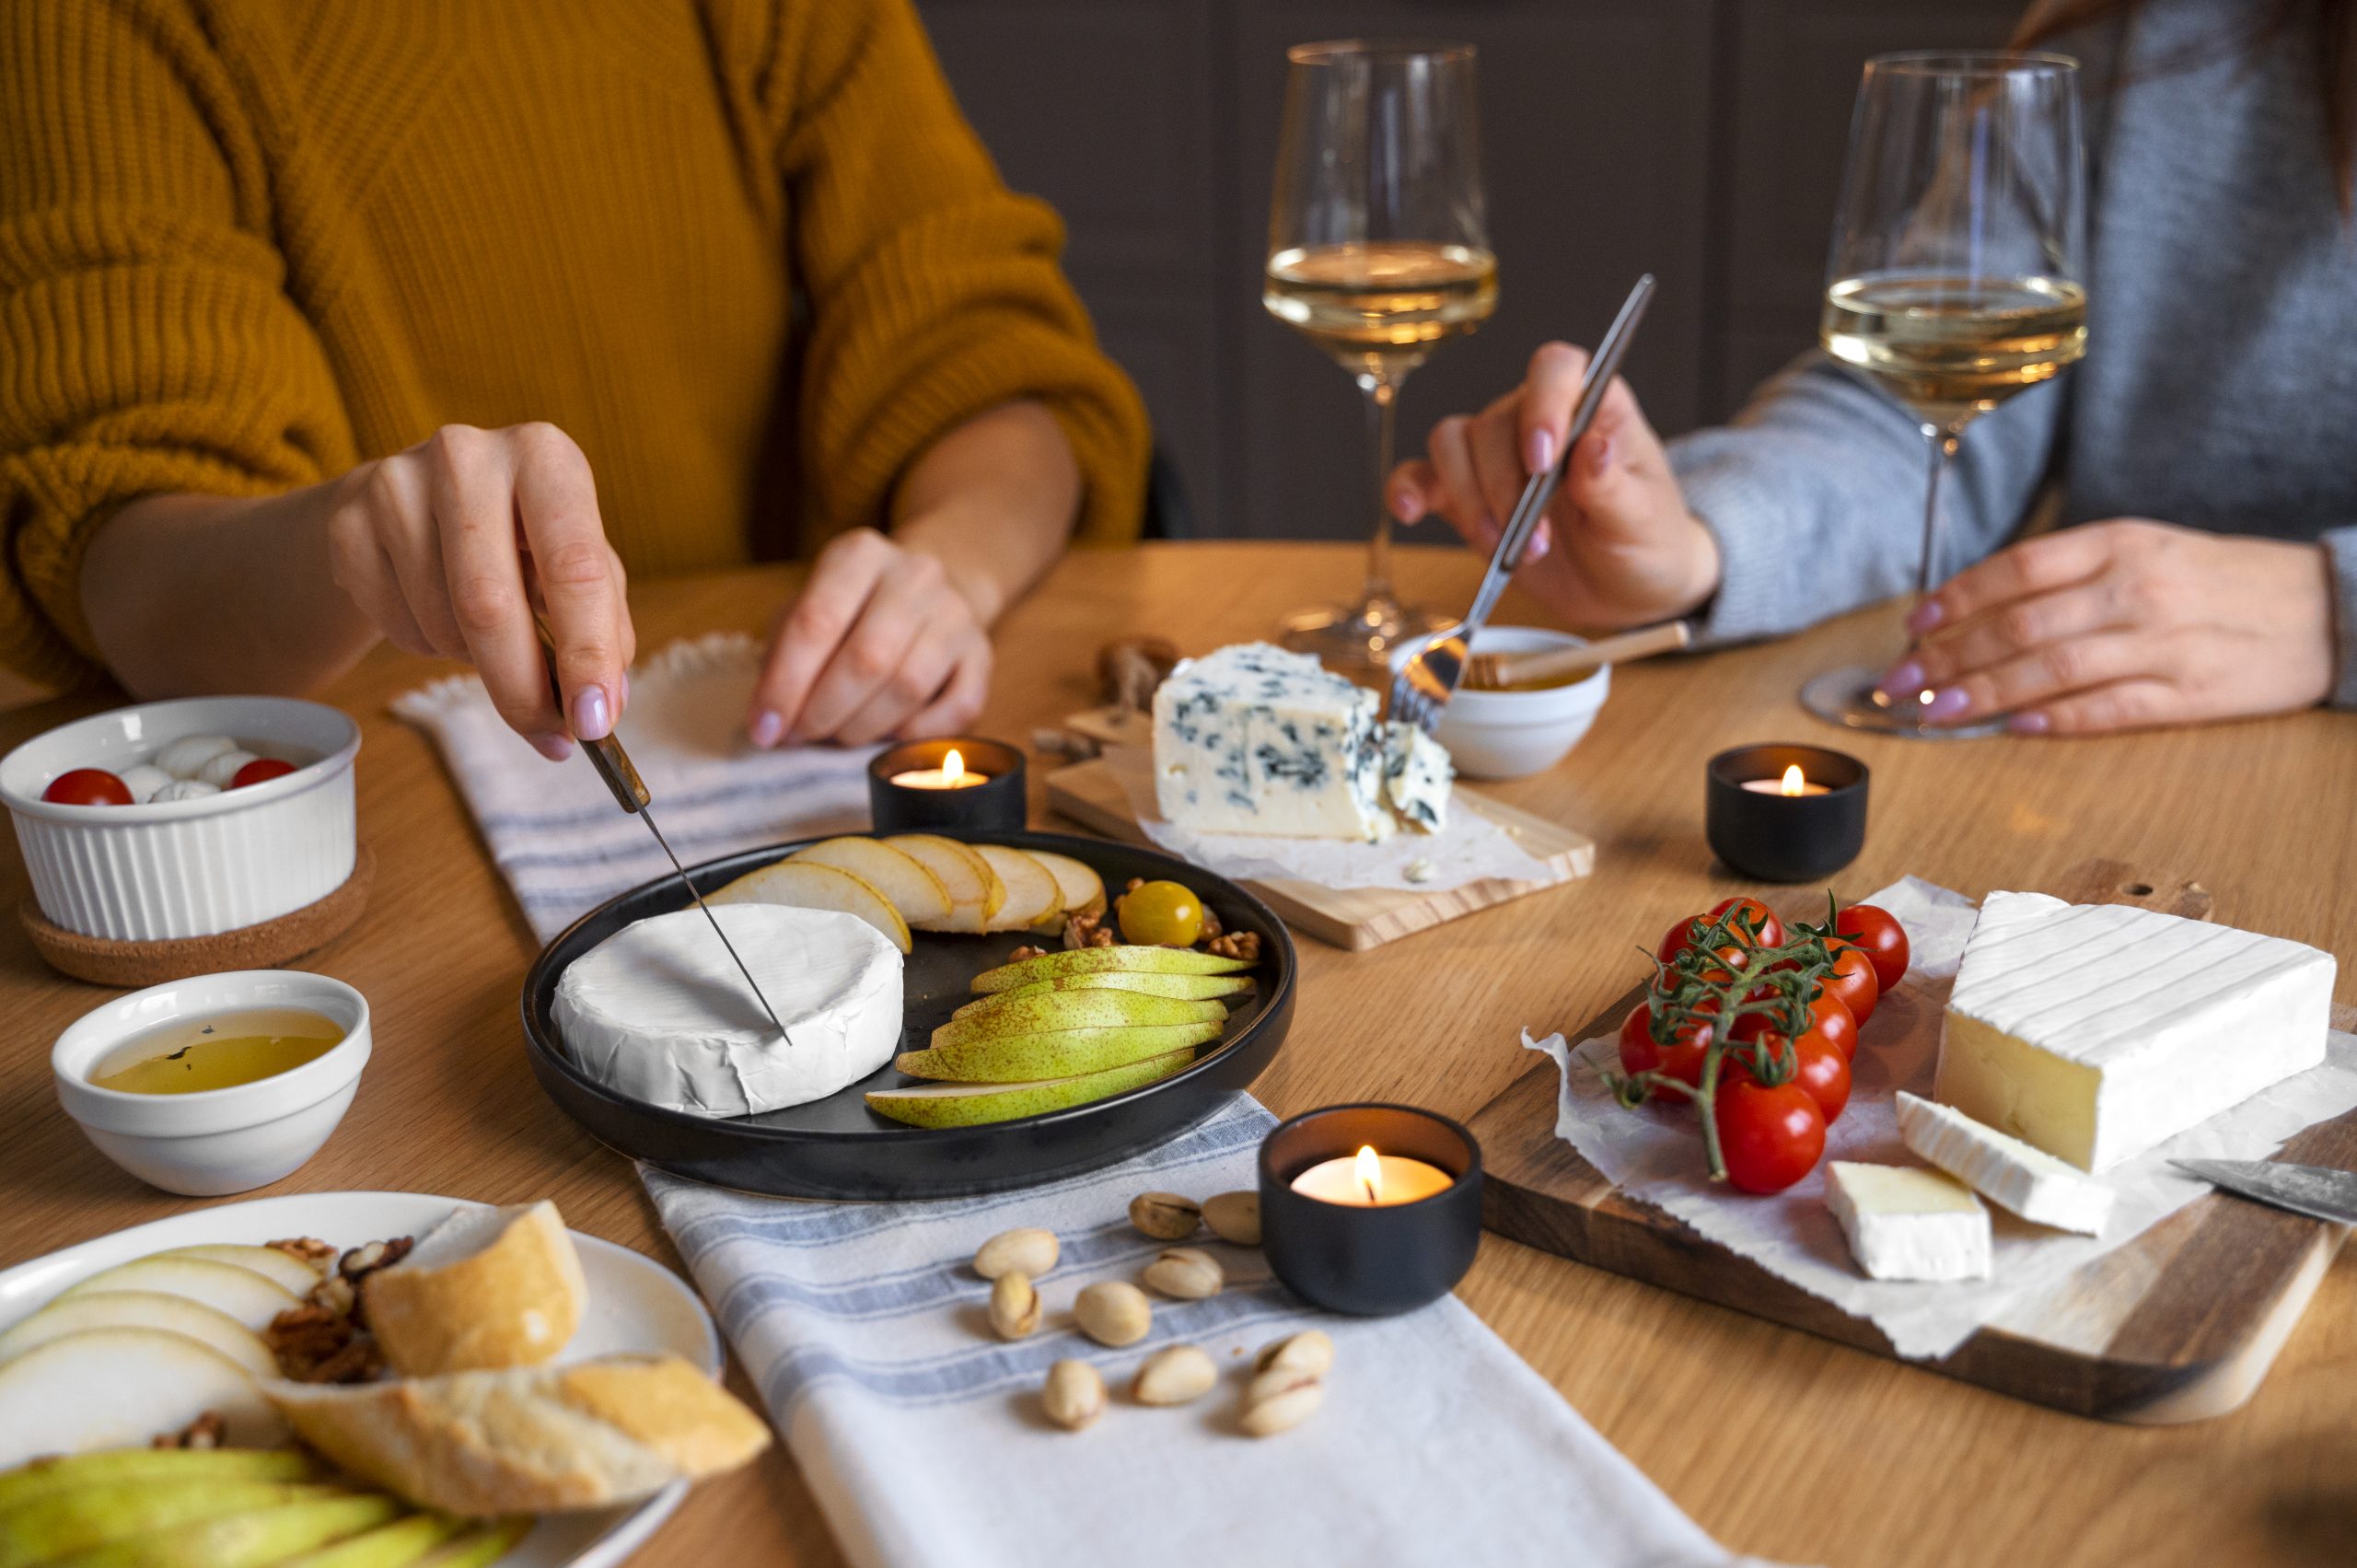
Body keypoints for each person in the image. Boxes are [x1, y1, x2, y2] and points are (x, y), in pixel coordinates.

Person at [0, 0, 1148, 758]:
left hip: (776, 739)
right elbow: (121, 566)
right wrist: (349, 540)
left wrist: (947, 571)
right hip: (355, 810)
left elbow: (994, 364)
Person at [1389, 0, 2357, 735]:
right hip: (2092, 766)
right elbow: (1906, 410)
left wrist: (2331, 605)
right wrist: (1705, 541)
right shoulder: (2153, 45)